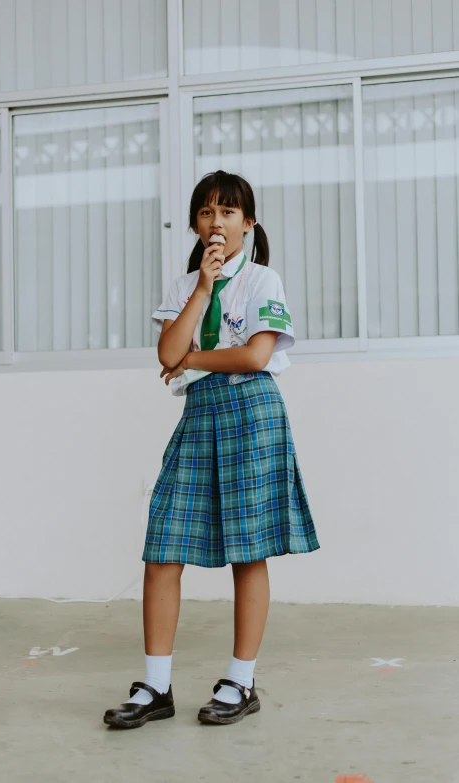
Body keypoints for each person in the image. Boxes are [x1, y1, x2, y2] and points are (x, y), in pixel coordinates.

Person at [103, 170, 321, 730]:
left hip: (253, 412)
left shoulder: (263, 280)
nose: (215, 222)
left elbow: (253, 357)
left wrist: (191, 360)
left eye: (228, 212)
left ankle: (240, 681)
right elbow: (165, 351)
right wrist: (202, 288)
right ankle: (156, 685)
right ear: (197, 224)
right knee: (163, 546)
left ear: (248, 223)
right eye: (206, 212)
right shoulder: (185, 286)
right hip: (199, 416)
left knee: (249, 551)